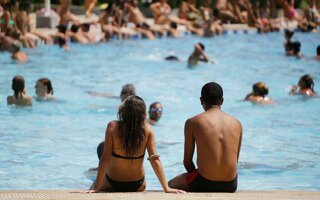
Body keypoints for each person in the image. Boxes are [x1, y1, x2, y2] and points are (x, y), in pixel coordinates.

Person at [87, 96, 185, 193]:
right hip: (137, 184)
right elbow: (154, 159)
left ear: (123, 110)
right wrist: (166, 188)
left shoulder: (112, 127)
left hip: (113, 182)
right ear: (143, 113)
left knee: (93, 185)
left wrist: (96, 188)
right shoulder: (147, 129)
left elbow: (105, 158)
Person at [168, 82, 242, 192]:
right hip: (231, 185)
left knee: (170, 184)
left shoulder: (193, 122)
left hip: (204, 182)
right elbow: (235, 160)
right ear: (222, 101)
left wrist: (197, 175)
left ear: (201, 100)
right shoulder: (237, 123)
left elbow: (187, 162)